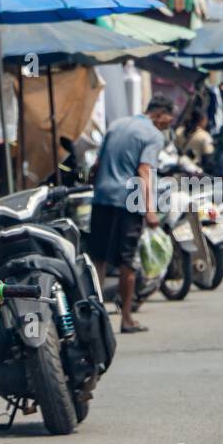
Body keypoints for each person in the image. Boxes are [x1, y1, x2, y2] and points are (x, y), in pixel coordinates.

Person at [89, 94, 174, 334]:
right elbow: (144, 171)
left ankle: (94, 315)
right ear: (158, 114)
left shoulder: (115, 125)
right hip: (129, 201)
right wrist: (149, 211)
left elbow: (97, 165)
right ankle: (126, 318)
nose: (169, 123)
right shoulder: (153, 135)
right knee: (127, 262)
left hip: (102, 198)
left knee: (98, 259)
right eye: (169, 117)